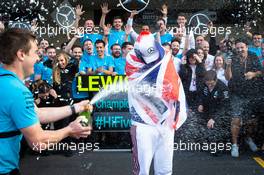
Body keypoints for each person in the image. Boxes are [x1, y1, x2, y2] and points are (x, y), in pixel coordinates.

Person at [0, 28, 93, 174]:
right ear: (21, 55)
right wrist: (70, 130)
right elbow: (38, 142)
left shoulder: (6, 81)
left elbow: (36, 114)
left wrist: (75, 108)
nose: (38, 58)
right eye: (36, 52)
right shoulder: (16, 90)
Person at [126, 31, 187, 175]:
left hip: (166, 122)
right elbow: (147, 78)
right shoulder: (131, 60)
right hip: (143, 123)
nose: (152, 60)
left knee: (165, 169)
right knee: (142, 170)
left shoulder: (165, 56)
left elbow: (174, 83)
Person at [225, 39, 262, 157]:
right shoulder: (233, 58)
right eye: (238, 48)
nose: (240, 50)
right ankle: (235, 145)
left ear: (247, 47)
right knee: (236, 119)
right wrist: (228, 65)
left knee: (252, 121)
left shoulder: (253, 56)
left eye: (242, 47)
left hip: (251, 93)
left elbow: (261, 72)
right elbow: (228, 77)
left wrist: (253, 74)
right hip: (236, 93)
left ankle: (247, 137)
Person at [197, 70, 231, 155]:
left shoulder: (223, 88)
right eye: (207, 83)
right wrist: (200, 104)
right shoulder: (204, 84)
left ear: (216, 80)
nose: (209, 85)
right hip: (208, 110)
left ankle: (219, 148)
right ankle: (206, 144)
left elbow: (224, 107)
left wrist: (214, 118)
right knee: (203, 126)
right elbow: (200, 95)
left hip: (220, 113)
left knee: (216, 127)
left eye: (211, 83)